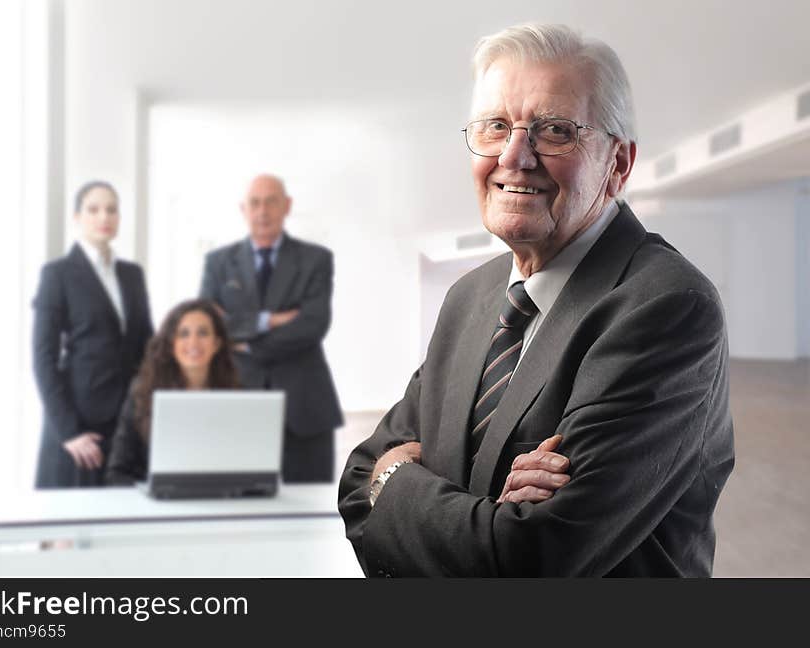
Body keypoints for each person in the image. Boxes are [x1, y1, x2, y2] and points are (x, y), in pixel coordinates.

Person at [338, 23, 735, 577]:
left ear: (617, 164)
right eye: (497, 126)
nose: (515, 155)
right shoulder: (471, 297)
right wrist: (471, 506)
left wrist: (397, 482)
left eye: (554, 131)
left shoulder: (666, 305)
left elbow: (533, 559)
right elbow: (358, 479)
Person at [199, 174, 343, 483]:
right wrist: (268, 320)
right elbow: (209, 326)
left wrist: (244, 341)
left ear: (286, 206)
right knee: (241, 512)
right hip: (238, 404)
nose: (262, 210)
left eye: (271, 201)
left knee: (307, 514)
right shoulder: (218, 262)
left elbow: (313, 324)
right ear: (243, 209)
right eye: (255, 203)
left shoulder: (315, 259)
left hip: (304, 409)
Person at [33, 180, 154, 488]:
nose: (104, 217)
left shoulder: (132, 275)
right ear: (77, 217)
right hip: (79, 426)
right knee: (68, 528)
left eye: (112, 210)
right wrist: (68, 431)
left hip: (126, 423)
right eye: (94, 209)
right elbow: (43, 358)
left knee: (119, 524)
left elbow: (149, 348)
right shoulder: (57, 274)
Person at [106, 299, 239, 485]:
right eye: (183, 334)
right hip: (157, 504)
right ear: (171, 344)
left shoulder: (235, 394)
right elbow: (117, 472)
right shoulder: (143, 391)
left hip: (218, 498)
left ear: (216, 343)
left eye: (203, 333)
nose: (193, 342)